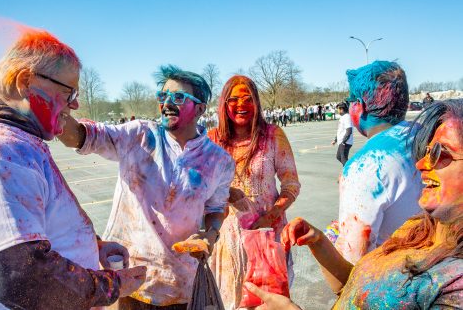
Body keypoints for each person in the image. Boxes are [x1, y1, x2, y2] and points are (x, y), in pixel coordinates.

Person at [0, 30, 145, 310]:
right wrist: (111, 285)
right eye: (67, 91)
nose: (75, 104)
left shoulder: (17, 140)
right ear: (26, 82)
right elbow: (18, 276)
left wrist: (93, 245)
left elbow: (35, 220)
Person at [245, 99, 463, 309]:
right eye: (425, 152)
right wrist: (318, 241)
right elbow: (353, 287)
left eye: (440, 153)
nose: (421, 164)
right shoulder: (417, 229)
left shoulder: (455, 283)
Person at [59, 65, 235, 309]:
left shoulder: (219, 161)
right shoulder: (140, 135)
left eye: (178, 97)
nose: (167, 103)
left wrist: (210, 235)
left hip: (182, 282)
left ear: (201, 109)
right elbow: (80, 136)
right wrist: (54, 103)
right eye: (163, 96)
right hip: (131, 277)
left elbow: (215, 208)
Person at [207, 75, 301, 310]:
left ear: (257, 103)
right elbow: (199, 187)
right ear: (224, 104)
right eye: (234, 99)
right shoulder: (212, 139)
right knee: (232, 301)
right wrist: (222, 192)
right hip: (228, 239)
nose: (241, 105)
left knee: (268, 302)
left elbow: (291, 185)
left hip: (268, 235)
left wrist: (269, 217)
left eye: (248, 99)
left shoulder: (272, 135)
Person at [334, 61, 423, 264]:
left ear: (359, 106)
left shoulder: (365, 166)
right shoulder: (429, 133)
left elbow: (352, 263)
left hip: (399, 277)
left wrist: (327, 239)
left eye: (350, 102)